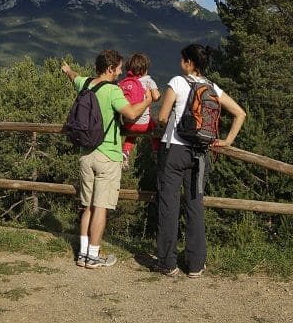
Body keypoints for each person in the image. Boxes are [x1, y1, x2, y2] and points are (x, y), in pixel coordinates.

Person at [154, 44, 246, 278]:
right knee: (195, 207)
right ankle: (195, 264)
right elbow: (240, 113)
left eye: (182, 59)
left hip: (174, 151)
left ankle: (167, 262)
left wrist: (162, 126)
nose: (180, 63)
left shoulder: (177, 82)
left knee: (169, 206)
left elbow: (163, 117)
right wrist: (227, 141)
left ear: (188, 63)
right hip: (200, 153)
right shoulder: (212, 87)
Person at [62, 50, 153, 269]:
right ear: (110, 68)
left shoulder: (85, 84)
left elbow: (74, 76)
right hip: (108, 155)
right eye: (119, 68)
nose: (121, 72)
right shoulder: (112, 91)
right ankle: (93, 256)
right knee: (101, 207)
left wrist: (67, 70)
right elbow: (131, 114)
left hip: (86, 155)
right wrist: (148, 101)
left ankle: (82, 255)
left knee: (88, 206)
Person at [119, 52, 161, 169]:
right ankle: (156, 150)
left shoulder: (124, 83)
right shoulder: (148, 80)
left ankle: (126, 152)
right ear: (145, 69)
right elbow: (156, 97)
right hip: (144, 125)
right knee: (155, 126)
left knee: (131, 136)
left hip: (128, 124)